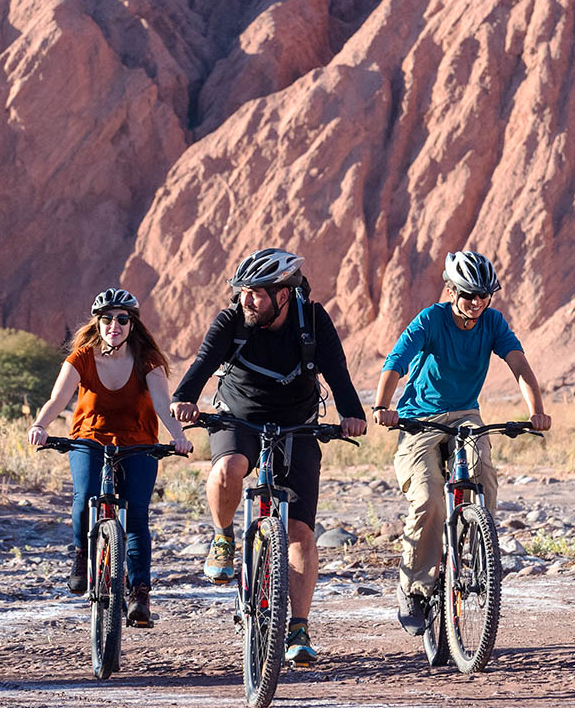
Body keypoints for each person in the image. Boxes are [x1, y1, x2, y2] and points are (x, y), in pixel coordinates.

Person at [170, 248, 367, 667]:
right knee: (230, 468)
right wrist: (185, 398)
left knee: (299, 532)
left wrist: (352, 414)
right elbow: (204, 363)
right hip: (238, 416)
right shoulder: (231, 322)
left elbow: (336, 371)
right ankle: (223, 537)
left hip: (297, 422)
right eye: (243, 292)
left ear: (283, 294)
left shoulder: (312, 320)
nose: (247, 300)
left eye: (257, 293)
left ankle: (297, 627)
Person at [372, 250, 552, 634]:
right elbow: (396, 362)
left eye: (484, 295)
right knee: (428, 497)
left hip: (467, 415)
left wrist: (536, 410)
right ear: (451, 289)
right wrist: (382, 406)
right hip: (419, 418)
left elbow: (519, 365)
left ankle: (472, 545)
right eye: (469, 294)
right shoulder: (431, 319)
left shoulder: (493, 322)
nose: (476, 302)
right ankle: (414, 589)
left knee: (483, 475)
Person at [27, 288, 191, 628]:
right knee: (85, 494)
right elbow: (58, 398)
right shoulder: (82, 357)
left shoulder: (148, 360)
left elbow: (163, 403)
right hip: (90, 438)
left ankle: (140, 592)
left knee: (137, 515)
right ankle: (80, 555)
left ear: (132, 325)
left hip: (138, 442)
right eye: (106, 319)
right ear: (97, 323)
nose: (113, 325)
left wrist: (178, 436)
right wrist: (41, 425)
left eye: (122, 319)